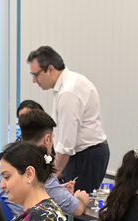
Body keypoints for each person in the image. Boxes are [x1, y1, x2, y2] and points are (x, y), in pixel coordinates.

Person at [27, 46, 109, 193]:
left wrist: (52, 177)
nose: (34, 80)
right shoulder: (65, 86)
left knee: (77, 208)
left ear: (50, 69)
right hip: (81, 154)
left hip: (85, 155)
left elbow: (66, 143)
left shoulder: (68, 92)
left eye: (36, 74)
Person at [0, 109, 89, 217]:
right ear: (47, 139)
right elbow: (77, 209)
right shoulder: (42, 175)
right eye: (52, 139)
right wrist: (81, 199)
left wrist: (57, 190)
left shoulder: (6, 166)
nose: (3, 184)